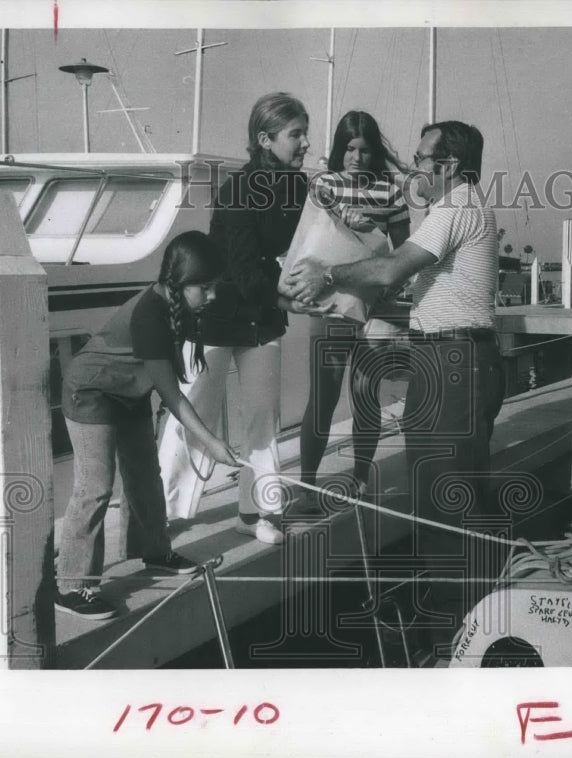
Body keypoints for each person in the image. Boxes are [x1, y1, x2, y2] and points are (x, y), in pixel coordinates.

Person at [284, 120, 507, 659]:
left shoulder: (455, 209)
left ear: (447, 166)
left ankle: (459, 641)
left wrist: (329, 278)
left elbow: (388, 270)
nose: (414, 170)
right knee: (451, 500)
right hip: (452, 359)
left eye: (421, 160)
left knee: (444, 505)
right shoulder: (461, 209)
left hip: (454, 362)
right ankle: (472, 628)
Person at [157, 92, 320, 546]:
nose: (305, 142)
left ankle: (257, 512)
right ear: (265, 139)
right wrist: (292, 300)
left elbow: (302, 249)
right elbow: (245, 267)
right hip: (216, 315)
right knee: (190, 413)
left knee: (262, 419)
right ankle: (162, 517)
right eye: (296, 134)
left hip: (261, 318)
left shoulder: (299, 187)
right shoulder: (239, 190)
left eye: (305, 132)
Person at [56, 231, 240, 620]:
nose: (212, 296)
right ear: (181, 283)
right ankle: (71, 585)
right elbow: (172, 396)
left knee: (145, 476)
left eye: (214, 288)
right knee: (96, 487)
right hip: (91, 391)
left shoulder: (179, 305)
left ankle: (155, 552)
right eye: (205, 288)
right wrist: (212, 443)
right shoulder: (150, 315)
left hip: (128, 393)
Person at [295, 110, 411, 512]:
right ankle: (307, 485)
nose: (357, 158)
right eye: (349, 149)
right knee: (323, 400)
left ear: (375, 151)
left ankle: (360, 478)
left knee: (366, 396)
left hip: (374, 308)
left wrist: (386, 288)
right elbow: (312, 226)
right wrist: (348, 217)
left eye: (365, 150)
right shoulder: (324, 184)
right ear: (338, 150)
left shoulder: (392, 192)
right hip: (329, 309)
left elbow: (401, 252)